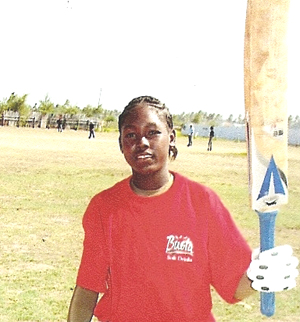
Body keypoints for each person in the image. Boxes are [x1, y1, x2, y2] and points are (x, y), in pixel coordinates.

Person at [67, 96, 298, 322]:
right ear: (121, 144)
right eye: (130, 135)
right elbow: (87, 288)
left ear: (172, 138)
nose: (142, 142)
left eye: (152, 132)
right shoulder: (104, 207)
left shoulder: (203, 202)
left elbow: (234, 285)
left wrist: (259, 275)